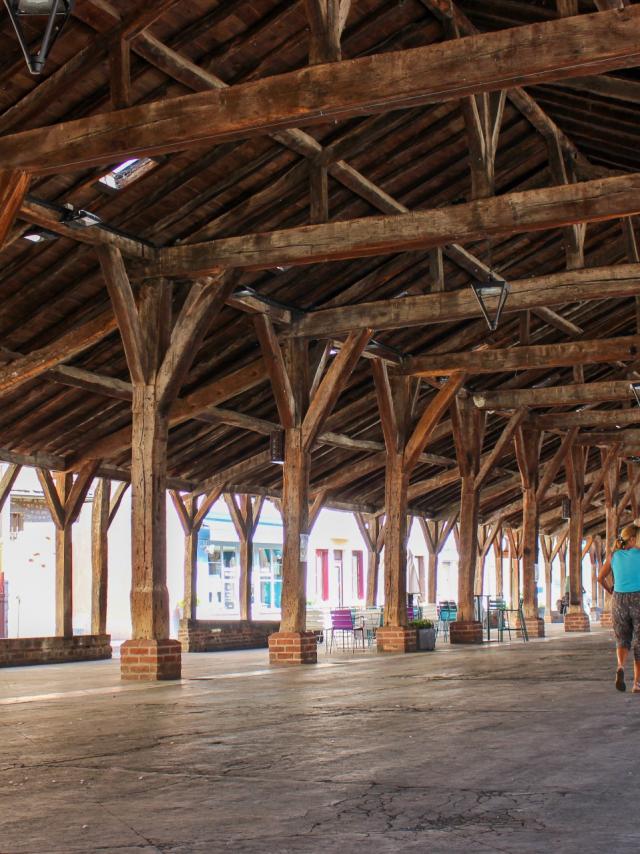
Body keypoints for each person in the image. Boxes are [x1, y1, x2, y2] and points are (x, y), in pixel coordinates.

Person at [598, 524, 640, 693]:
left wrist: (611, 591)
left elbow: (600, 578)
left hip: (618, 600)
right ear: (632, 539)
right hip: (638, 599)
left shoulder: (613, 555)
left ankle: (621, 666)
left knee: (622, 639)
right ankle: (637, 683)